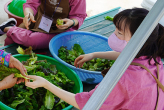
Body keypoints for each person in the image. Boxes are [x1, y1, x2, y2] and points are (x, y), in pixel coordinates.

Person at [25, 8, 164, 110]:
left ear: (138, 40)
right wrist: (95, 54)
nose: (114, 35)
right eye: (115, 30)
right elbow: (128, 56)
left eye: (120, 33)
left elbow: (86, 103)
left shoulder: (122, 79)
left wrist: (45, 84)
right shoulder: (154, 59)